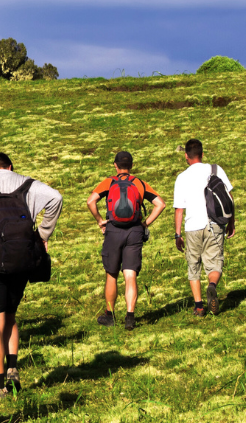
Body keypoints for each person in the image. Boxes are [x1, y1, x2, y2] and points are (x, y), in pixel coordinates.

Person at [0, 153, 63, 401]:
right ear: (10, 167)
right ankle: (12, 369)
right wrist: (42, 235)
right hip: (21, 260)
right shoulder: (26, 184)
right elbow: (56, 198)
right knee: (10, 316)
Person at [86, 151, 166, 330]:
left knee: (111, 274)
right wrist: (145, 223)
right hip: (135, 231)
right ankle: (130, 316)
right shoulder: (139, 183)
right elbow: (160, 204)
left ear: (115, 165)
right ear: (131, 165)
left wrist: (100, 220)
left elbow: (91, 201)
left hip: (113, 230)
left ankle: (110, 315)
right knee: (130, 274)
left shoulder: (109, 182)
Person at [173, 139, 235, 317]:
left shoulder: (182, 177)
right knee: (215, 261)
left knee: (194, 266)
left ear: (186, 156)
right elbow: (229, 197)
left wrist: (177, 234)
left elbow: (179, 209)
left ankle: (199, 306)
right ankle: (212, 286)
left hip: (192, 226)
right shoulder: (215, 169)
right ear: (202, 153)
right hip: (214, 223)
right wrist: (231, 222)